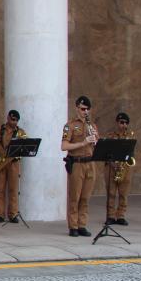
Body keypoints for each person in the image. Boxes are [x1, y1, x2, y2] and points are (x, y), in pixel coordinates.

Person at [62, 95, 98, 237]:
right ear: (77, 108)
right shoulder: (70, 125)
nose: (85, 112)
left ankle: (82, 225)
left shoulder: (92, 125)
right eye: (83, 109)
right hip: (77, 163)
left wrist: (95, 139)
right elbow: (64, 146)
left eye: (87, 109)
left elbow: (98, 146)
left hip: (90, 163)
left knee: (85, 197)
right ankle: (73, 226)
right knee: (74, 197)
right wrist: (83, 142)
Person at [0, 110, 26, 223]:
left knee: (13, 189)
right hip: (0, 162)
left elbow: (25, 147)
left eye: (16, 120)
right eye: (12, 120)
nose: (14, 122)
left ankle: (13, 214)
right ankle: (0, 214)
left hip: (13, 164)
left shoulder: (21, 132)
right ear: (7, 118)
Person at [104, 112, 135, 226]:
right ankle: (110, 216)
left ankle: (121, 215)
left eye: (126, 123)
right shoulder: (111, 135)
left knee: (123, 194)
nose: (124, 125)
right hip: (111, 168)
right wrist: (113, 164)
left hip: (125, 168)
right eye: (122, 122)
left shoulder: (130, 136)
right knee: (111, 193)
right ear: (117, 122)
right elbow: (106, 152)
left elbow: (131, 152)